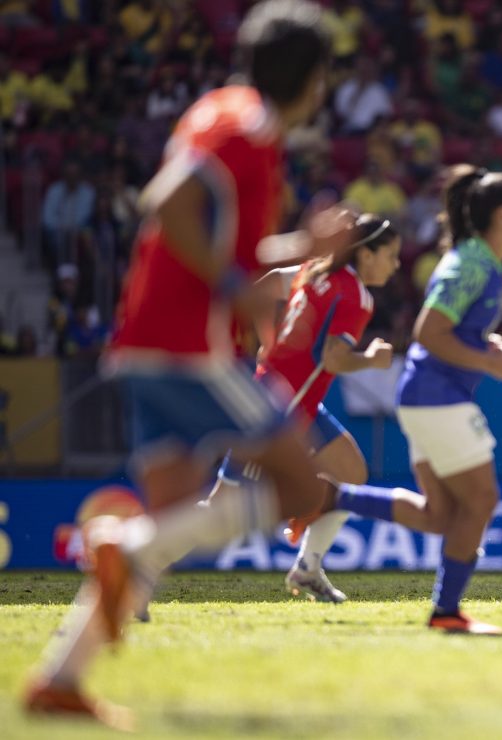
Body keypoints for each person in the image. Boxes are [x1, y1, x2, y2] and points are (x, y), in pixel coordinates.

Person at [22, 1, 352, 727]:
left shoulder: (219, 111)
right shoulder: (253, 131)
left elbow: (209, 234)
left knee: (170, 525)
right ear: (309, 77)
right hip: (188, 350)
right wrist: (235, 291)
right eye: (325, 74)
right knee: (301, 486)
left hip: (141, 342)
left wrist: (300, 247)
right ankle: (118, 539)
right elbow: (166, 201)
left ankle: (62, 680)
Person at [286, 165, 502, 633]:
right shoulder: (472, 264)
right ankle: (446, 612)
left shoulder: (478, 260)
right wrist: (489, 361)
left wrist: (491, 347)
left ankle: (334, 496)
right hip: (437, 396)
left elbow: (451, 330)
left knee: (440, 514)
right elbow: (428, 332)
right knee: (480, 500)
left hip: (428, 395)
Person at [215, 215, 401, 603]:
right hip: (279, 407)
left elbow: (264, 287)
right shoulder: (355, 294)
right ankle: (138, 569)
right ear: (366, 254)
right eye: (391, 255)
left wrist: (267, 340)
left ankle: (308, 569)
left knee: (350, 474)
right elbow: (334, 359)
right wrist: (371, 359)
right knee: (220, 506)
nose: (396, 265)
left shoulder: (313, 270)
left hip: (293, 401)